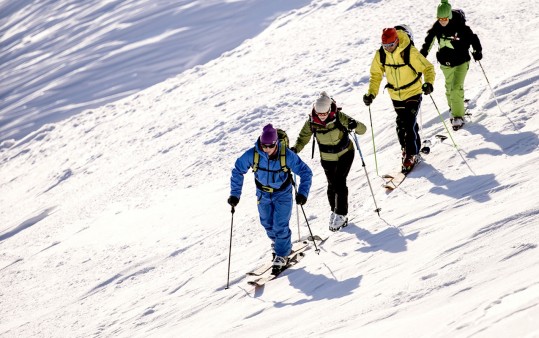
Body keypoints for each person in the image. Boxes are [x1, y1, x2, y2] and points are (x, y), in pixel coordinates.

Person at [228, 124, 312, 274]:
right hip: (263, 194)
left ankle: (282, 254)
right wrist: (235, 194)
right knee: (267, 223)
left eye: (270, 146)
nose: (266, 149)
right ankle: (279, 244)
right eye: (263, 145)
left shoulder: (286, 155)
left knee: (280, 225)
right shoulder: (253, 154)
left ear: (276, 143)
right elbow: (238, 171)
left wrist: (303, 193)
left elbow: (306, 172)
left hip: (283, 194)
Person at [292, 91, 366, 232]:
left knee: (339, 182)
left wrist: (354, 124)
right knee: (332, 185)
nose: (322, 116)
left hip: (346, 153)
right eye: (319, 114)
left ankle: (342, 214)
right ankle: (335, 211)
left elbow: (363, 130)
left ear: (329, 109)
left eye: (324, 113)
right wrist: (296, 149)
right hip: (327, 158)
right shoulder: (311, 122)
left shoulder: (339, 116)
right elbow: (303, 138)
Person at [363, 27, 435, 172]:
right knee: (402, 123)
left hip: (413, 91)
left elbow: (428, 68)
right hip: (395, 95)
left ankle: (410, 154)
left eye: (390, 45)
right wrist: (371, 94)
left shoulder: (409, 51)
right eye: (385, 46)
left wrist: (428, 83)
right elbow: (376, 75)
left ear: (396, 40)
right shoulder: (381, 55)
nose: (388, 48)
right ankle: (407, 147)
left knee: (409, 122)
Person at [420, 0, 482, 130]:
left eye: (444, 18)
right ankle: (453, 107)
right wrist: (422, 55)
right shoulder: (436, 27)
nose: (442, 21)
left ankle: (458, 116)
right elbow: (428, 42)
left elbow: (474, 39)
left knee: (455, 88)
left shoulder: (460, 27)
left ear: (449, 16)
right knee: (449, 89)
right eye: (439, 18)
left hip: (461, 63)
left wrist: (477, 51)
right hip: (445, 64)